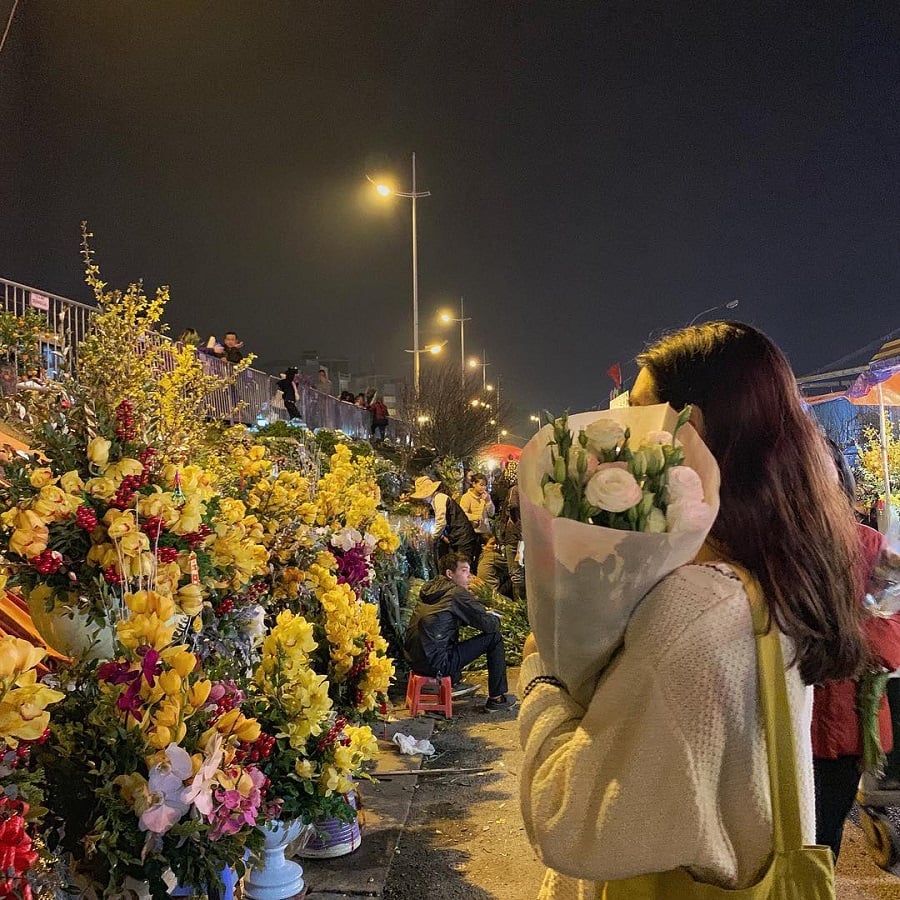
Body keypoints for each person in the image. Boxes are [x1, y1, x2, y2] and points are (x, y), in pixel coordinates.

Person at [519, 321, 867, 894]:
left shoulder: (698, 609)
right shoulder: (768, 583)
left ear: (691, 432)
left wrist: (543, 678)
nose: (616, 429)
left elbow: (570, 819)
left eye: (635, 411)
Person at [811, 444, 900, 861]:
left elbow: (893, 630)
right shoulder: (769, 548)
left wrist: (838, 640)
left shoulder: (874, 548)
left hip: (845, 723)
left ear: (840, 480)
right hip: (779, 719)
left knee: (823, 837)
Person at [405, 551, 514, 710]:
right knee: (494, 638)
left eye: (469, 571)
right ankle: (497, 699)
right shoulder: (456, 593)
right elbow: (489, 625)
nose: (469, 576)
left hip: (414, 660)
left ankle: (455, 680)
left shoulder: (430, 590)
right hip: (437, 664)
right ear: (450, 573)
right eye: (464, 571)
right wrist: (492, 616)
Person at [407, 476, 479, 571]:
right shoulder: (437, 499)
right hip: (459, 537)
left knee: (463, 567)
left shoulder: (439, 498)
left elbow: (441, 522)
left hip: (463, 537)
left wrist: (433, 537)